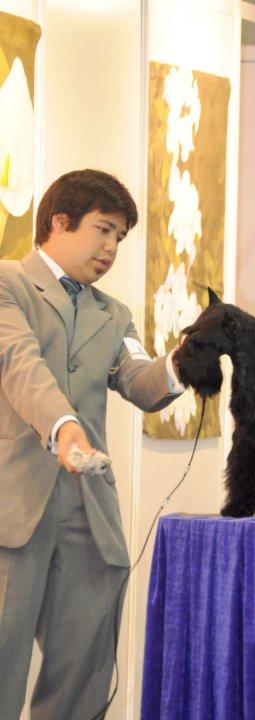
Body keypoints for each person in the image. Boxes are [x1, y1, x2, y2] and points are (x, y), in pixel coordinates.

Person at [0, 169, 184, 719]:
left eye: (119, 238)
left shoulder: (115, 314)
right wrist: (64, 427)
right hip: (12, 508)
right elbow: (20, 366)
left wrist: (185, 362)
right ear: (60, 221)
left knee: (83, 673)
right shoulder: (8, 283)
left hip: (88, 513)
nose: (111, 249)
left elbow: (141, 382)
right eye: (103, 230)